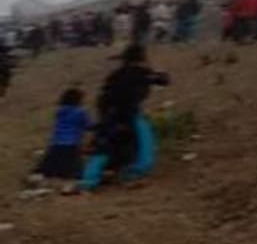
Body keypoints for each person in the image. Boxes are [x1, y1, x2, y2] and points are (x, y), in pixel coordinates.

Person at [80, 45, 170, 192]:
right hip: (128, 114)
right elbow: (164, 80)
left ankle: (89, 180)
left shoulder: (116, 75)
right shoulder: (141, 73)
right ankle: (132, 173)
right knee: (145, 143)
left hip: (109, 115)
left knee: (104, 146)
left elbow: (103, 98)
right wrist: (157, 72)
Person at [31, 88, 92, 183]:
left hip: (56, 143)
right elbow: (88, 126)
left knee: (48, 168)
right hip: (72, 144)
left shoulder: (60, 111)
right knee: (75, 171)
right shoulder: (81, 112)